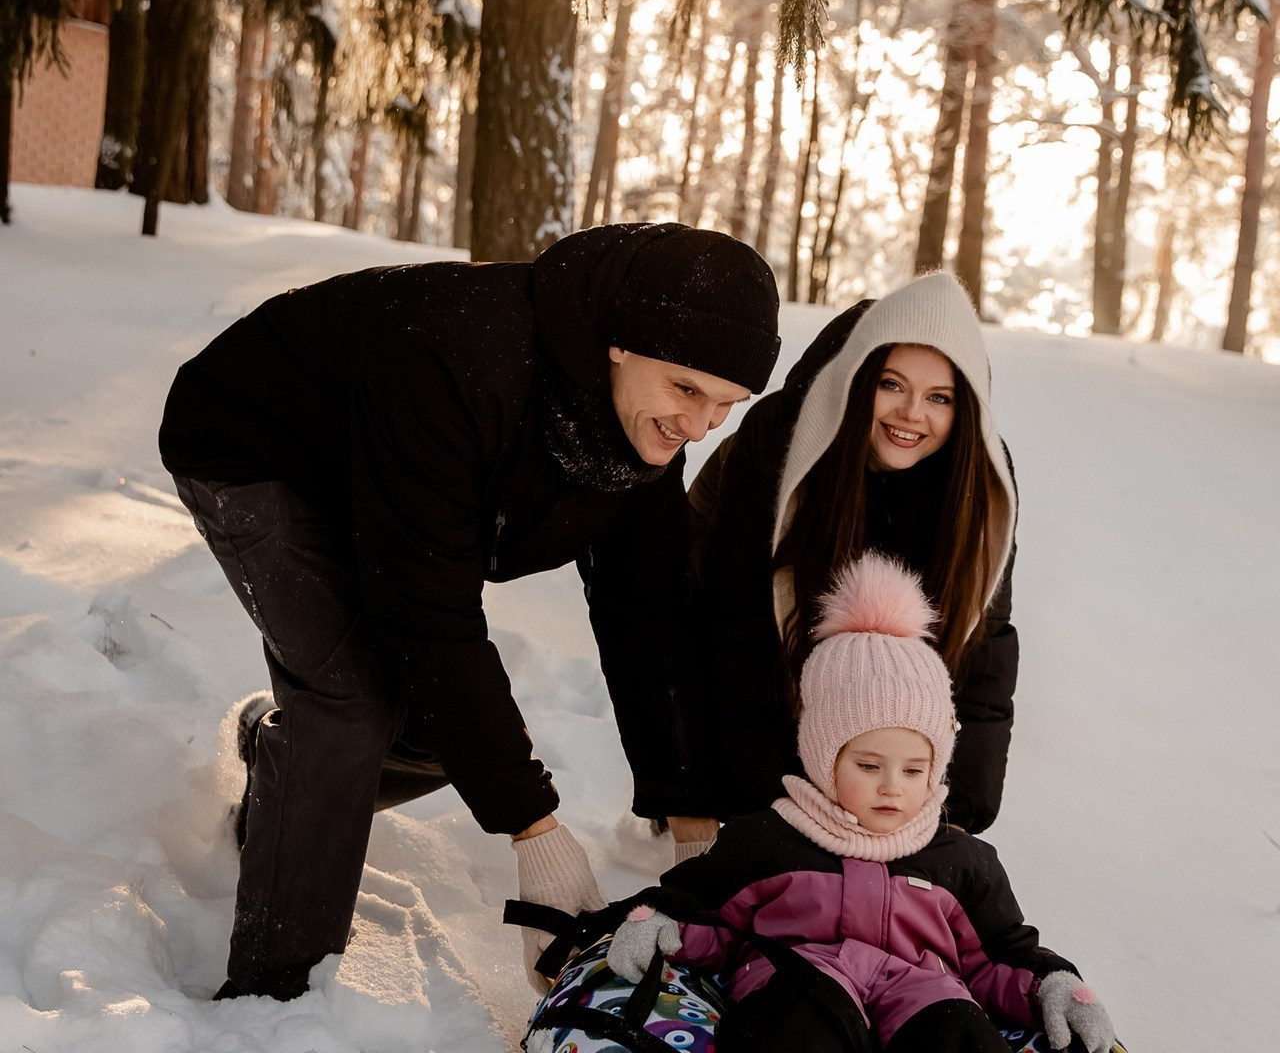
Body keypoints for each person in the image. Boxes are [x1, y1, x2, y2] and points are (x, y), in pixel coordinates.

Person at [157, 221, 781, 1002]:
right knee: (351, 703)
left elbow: (647, 615)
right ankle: (275, 999)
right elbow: (427, 616)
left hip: (385, 484)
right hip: (258, 448)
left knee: (436, 724)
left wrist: (694, 822)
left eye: (725, 405)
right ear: (621, 343)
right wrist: (536, 835)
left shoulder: (643, 426)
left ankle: (291, 781)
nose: (696, 426)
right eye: (686, 390)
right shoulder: (459, 359)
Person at [606, 553, 1117, 1053]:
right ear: (824, 757)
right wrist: (660, 924)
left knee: (955, 1028)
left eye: (915, 770)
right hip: (797, 981)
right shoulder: (767, 839)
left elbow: (1001, 955)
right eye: (869, 767)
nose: (893, 786)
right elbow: (706, 915)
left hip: (925, 993)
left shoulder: (963, 862)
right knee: (799, 1023)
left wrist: (1051, 985)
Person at [682, 270, 1018, 834]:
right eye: (891, 385)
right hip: (739, 596)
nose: (913, 413)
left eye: (940, 397)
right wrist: (754, 809)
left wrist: (951, 818)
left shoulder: (978, 479)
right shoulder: (778, 439)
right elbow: (733, 633)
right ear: (859, 382)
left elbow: (983, 650)